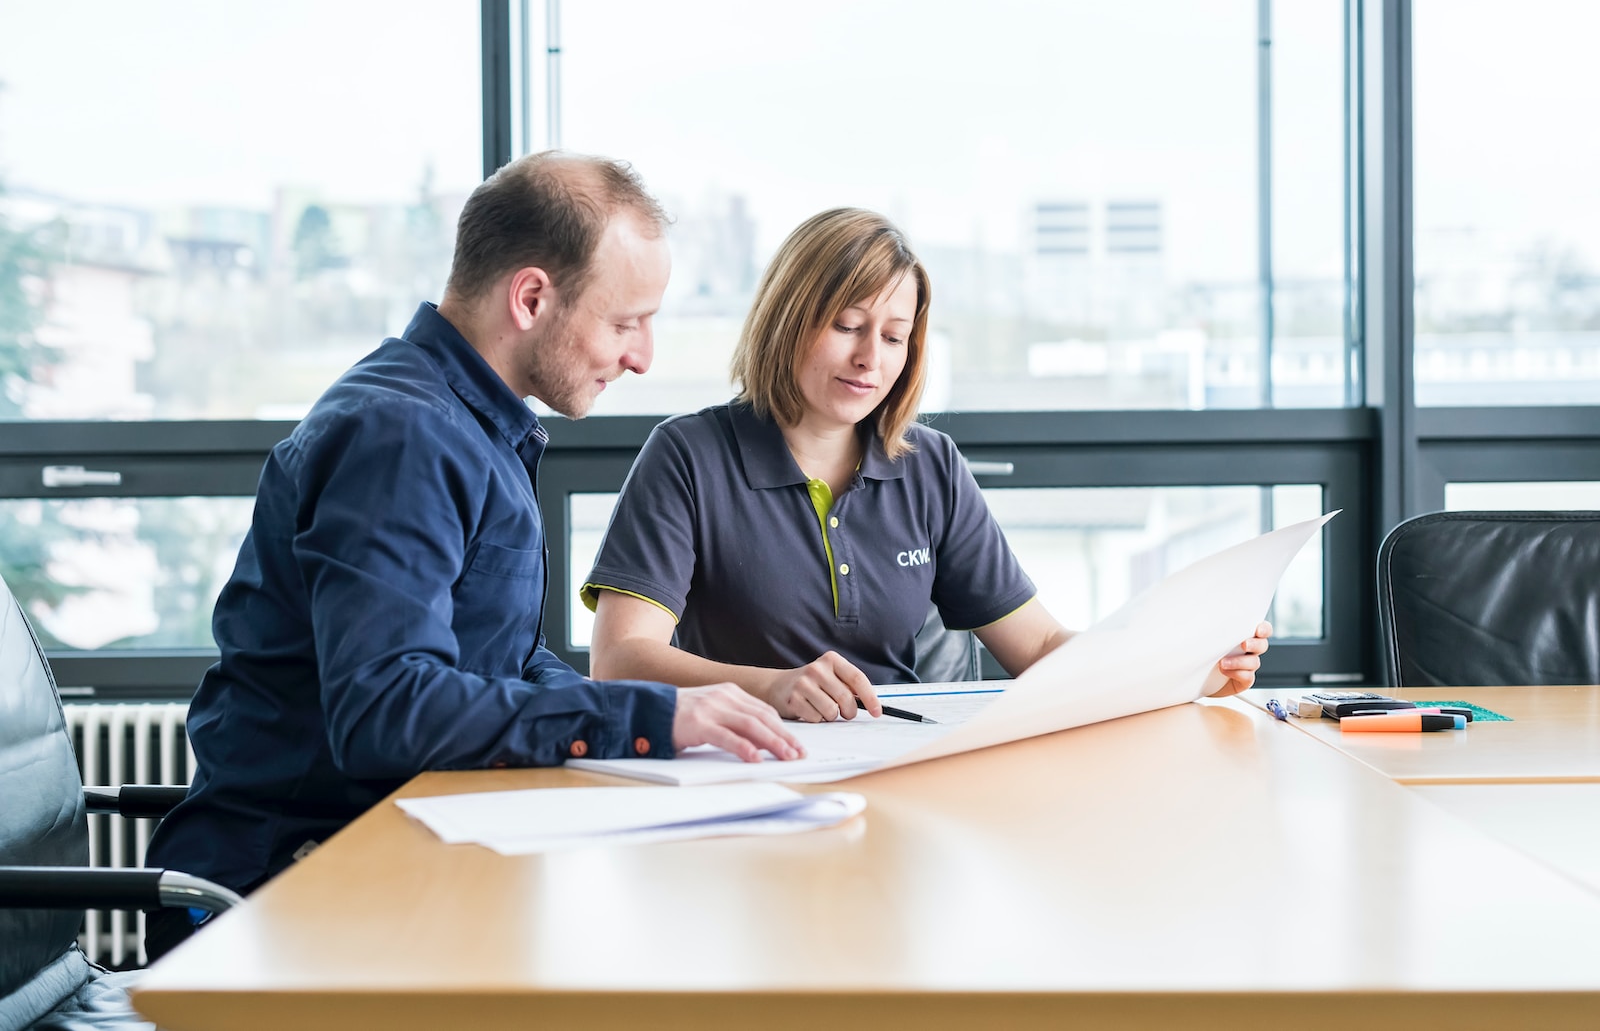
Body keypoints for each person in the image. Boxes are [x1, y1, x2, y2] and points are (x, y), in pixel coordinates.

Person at [144, 152, 802, 959]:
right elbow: (385, 709)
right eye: (626, 322)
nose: (643, 356)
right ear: (530, 297)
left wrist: (645, 741)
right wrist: (643, 716)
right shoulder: (402, 436)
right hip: (287, 894)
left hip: (387, 855)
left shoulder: (475, 428)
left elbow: (510, 658)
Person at [582, 207, 1270, 722]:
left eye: (894, 337)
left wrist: (1185, 665)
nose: (869, 359)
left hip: (898, 758)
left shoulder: (930, 466)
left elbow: (1041, 646)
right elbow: (619, 660)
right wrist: (772, 685)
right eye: (848, 326)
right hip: (751, 762)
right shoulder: (687, 456)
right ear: (788, 319)